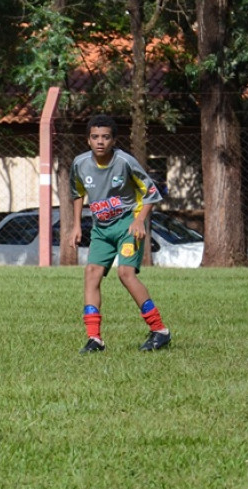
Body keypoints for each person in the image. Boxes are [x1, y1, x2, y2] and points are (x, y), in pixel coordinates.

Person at [70, 114, 171, 354]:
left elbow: (151, 192)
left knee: (125, 273)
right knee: (91, 273)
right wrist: (75, 225)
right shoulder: (80, 164)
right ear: (88, 140)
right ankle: (94, 339)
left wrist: (138, 221)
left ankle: (160, 331)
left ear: (114, 140)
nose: (100, 142)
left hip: (128, 226)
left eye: (106, 137)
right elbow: (77, 193)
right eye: (95, 137)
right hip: (101, 229)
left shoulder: (125, 162)